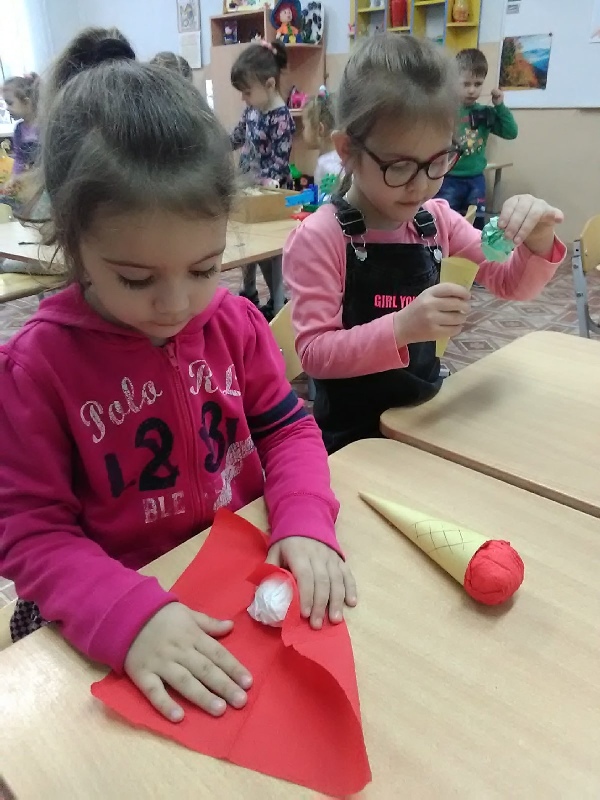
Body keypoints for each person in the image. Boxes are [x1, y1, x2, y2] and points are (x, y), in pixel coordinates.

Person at [0, 28, 356, 724]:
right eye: (136, 279)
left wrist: (306, 516)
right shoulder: (36, 370)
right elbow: (29, 532)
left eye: (203, 268)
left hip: (231, 578)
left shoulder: (235, 325)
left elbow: (288, 432)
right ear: (71, 242)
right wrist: (127, 616)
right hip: (109, 609)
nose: (176, 305)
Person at [283, 34, 565, 455]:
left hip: (424, 420)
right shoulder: (321, 237)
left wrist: (537, 241)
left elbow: (511, 284)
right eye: (399, 167)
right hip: (353, 440)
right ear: (347, 150)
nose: (421, 186)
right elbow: (315, 354)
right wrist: (402, 327)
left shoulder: (436, 221)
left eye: (437, 161)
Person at [230, 40, 295, 320]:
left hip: (272, 196)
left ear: (269, 84)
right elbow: (237, 137)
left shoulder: (281, 118)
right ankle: (249, 293)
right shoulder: (252, 109)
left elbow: (279, 163)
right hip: (249, 189)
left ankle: (279, 304)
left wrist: (262, 185)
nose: (243, 98)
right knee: (247, 246)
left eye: (247, 92)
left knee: (270, 255)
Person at [436, 48, 518, 229]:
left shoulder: (485, 113)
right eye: (465, 84)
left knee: (476, 224)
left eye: (478, 84)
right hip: (449, 179)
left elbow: (511, 132)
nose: (472, 90)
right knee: (445, 224)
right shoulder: (445, 110)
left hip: (476, 180)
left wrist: (500, 106)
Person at [302, 86, 343, 196]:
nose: (303, 131)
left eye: (304, 126)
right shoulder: (341, 157)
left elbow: (322, 199)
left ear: (320, 129)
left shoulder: (324, 163)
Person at [2, 73, 40, 181]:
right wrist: (13, 178)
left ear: (26, 102)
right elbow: (19, 159)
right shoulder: (19, 130)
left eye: (10, 103)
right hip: (31, 179)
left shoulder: (44, 127)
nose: (7, 108)